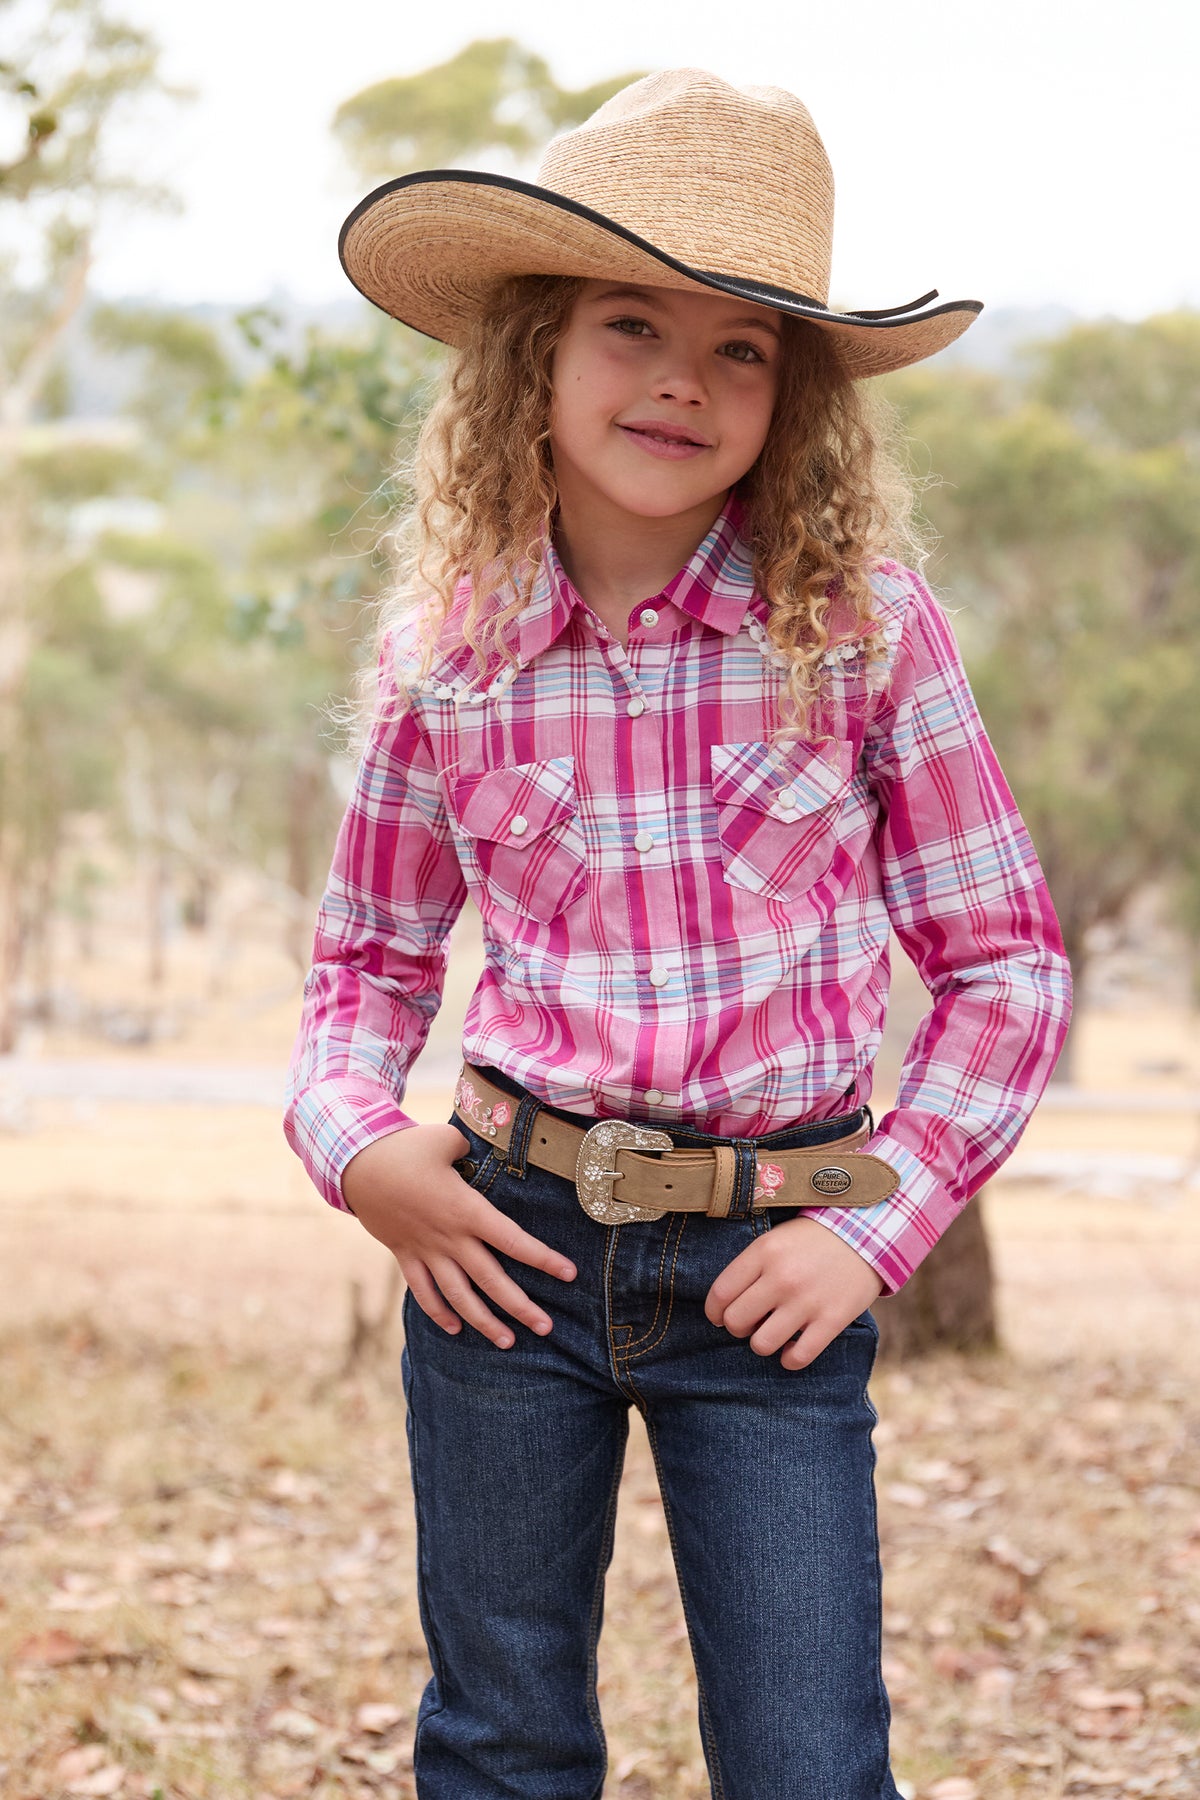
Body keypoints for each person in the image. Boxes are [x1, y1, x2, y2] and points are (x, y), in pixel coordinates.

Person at [284, 69, 1072, 1800]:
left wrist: (879, 1232)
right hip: (507, 1251)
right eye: (633, 324)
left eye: (742, 348)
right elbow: (366, 969)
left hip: (773, 1263)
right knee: (501, 1744)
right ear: (535, 358)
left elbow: (1006, 966)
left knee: (805, 1759)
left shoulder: (861, 632)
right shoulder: (451, 652)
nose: (681, 382)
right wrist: (363, 1151)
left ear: (792, 401)